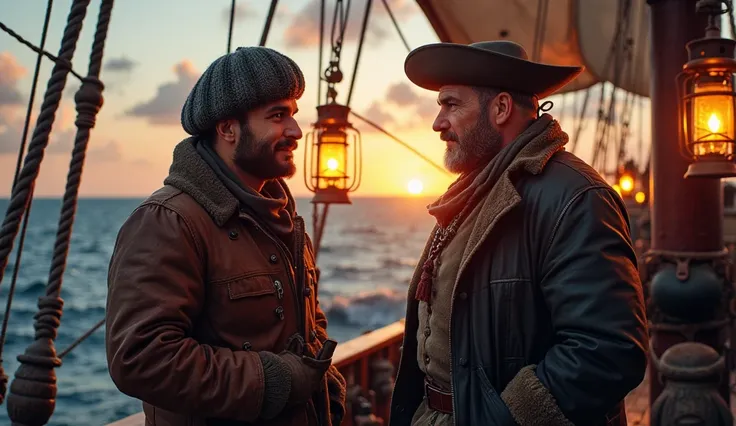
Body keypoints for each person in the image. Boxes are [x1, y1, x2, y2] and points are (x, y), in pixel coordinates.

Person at [389, 41, 648, 426]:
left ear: (501, 108)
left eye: (452, 105)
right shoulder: (475, 191)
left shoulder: (575, 196)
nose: (438, 123)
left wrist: (500, 419)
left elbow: (606, 351)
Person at [105, 46, 346, 426]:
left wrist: (325, 387)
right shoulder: (168, 221)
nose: (296, 132)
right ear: (228, 128)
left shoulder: (280, 215)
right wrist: (276, 380)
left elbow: (305, 320)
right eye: (278, 116)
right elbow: (141, 358)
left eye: (294, 115)